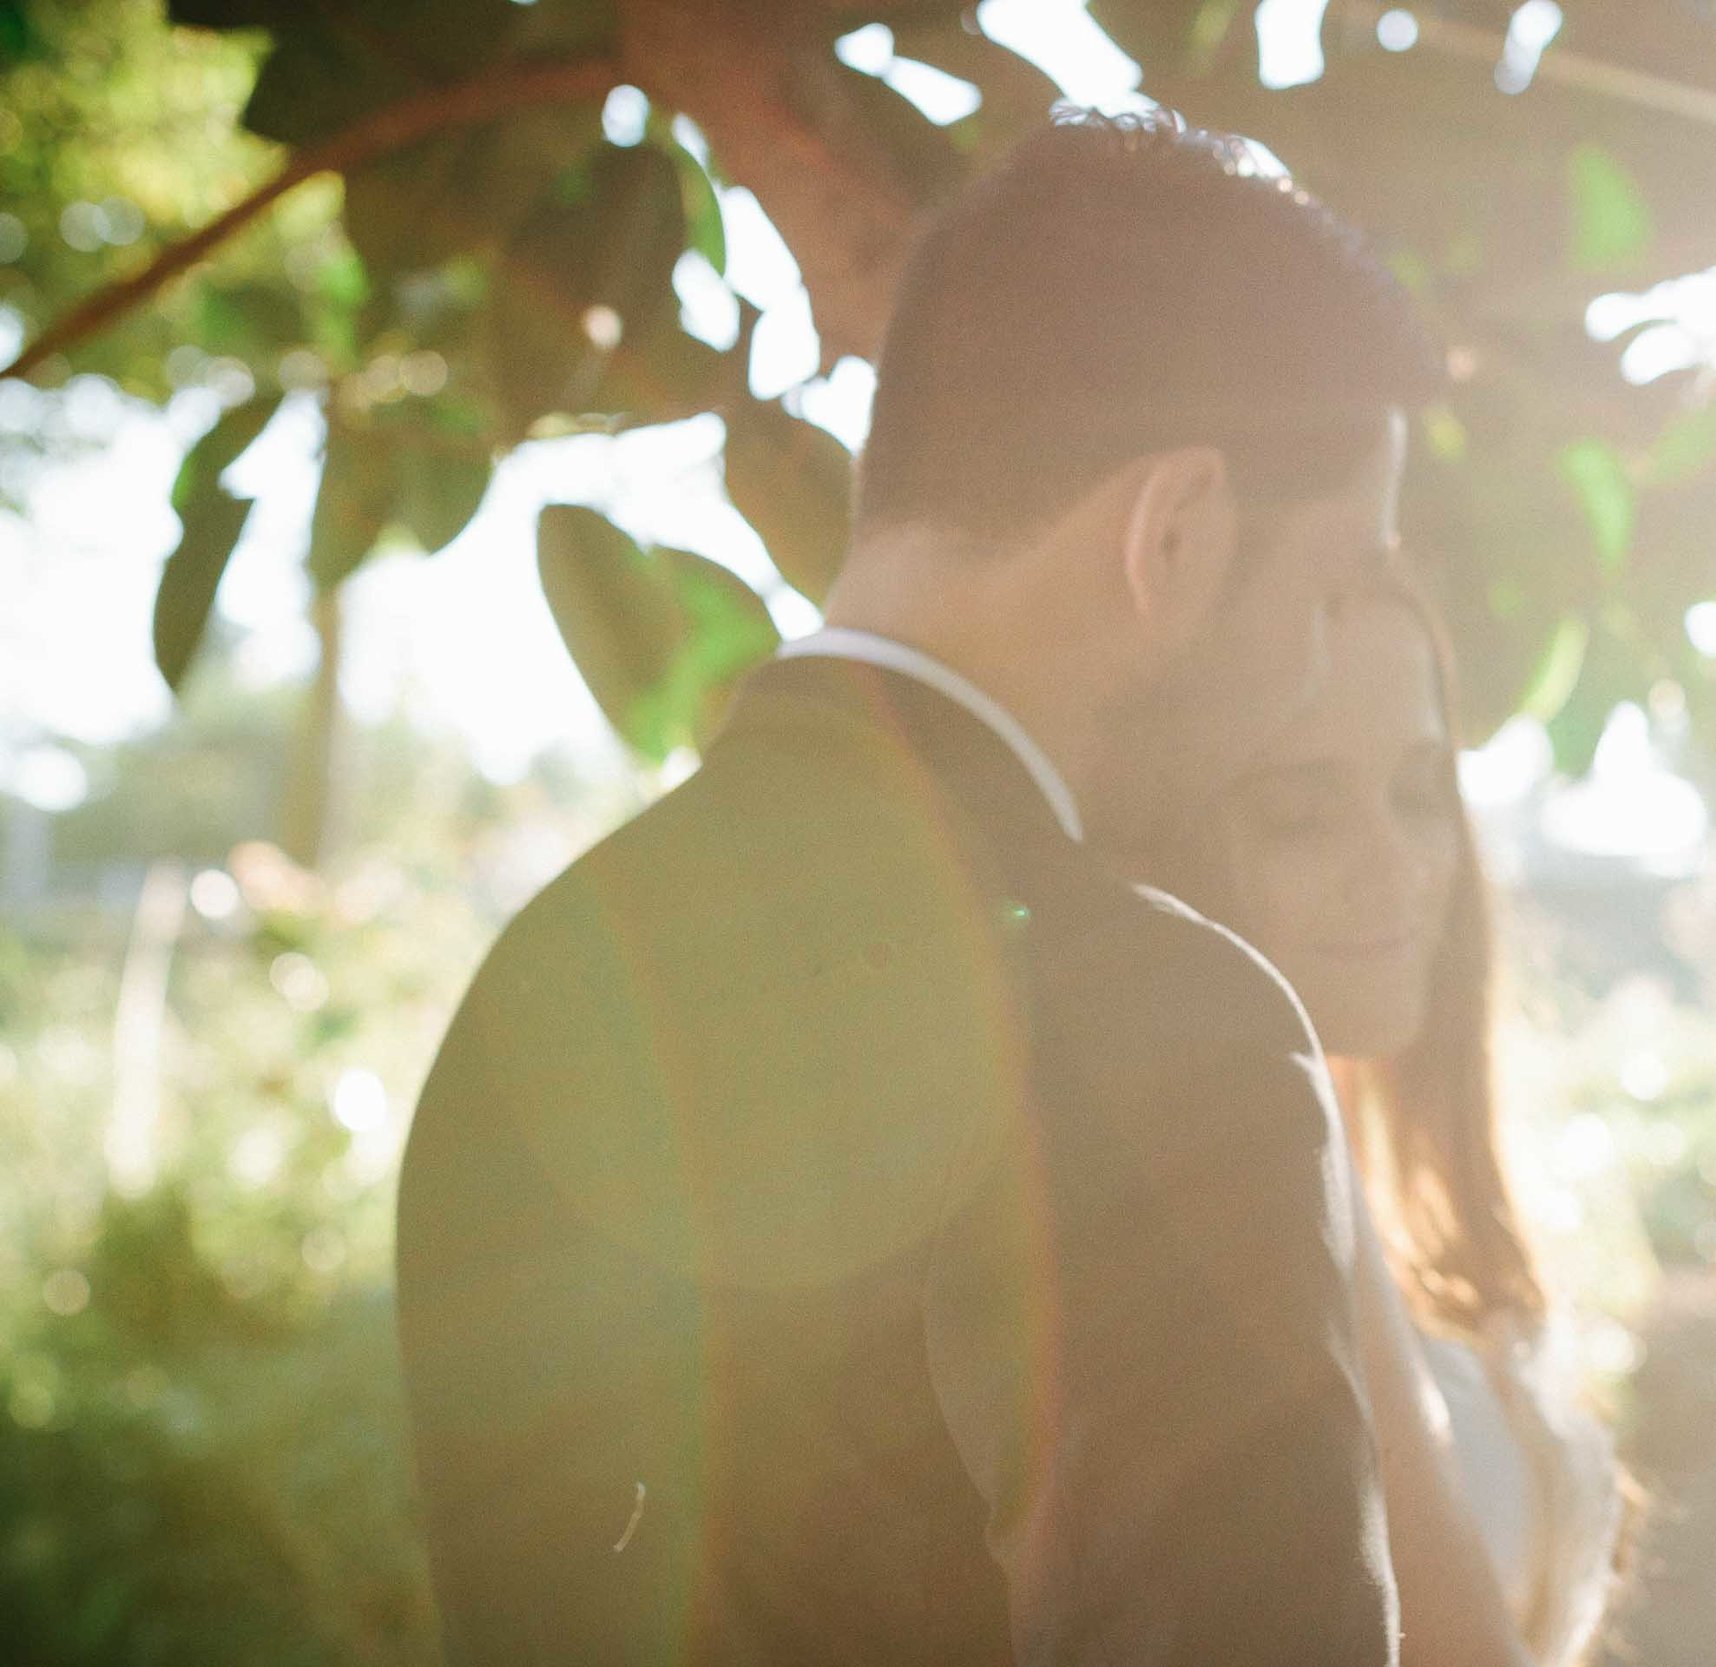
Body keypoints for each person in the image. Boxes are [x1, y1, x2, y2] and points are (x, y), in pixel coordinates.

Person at [394, 110, 1448, 1665]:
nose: (1308, 672)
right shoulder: (1170, 1021)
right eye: (1327, 584)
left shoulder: (547, 970)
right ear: (1176, 530)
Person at [1121, 581, 1624, 1667]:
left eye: (1418, 789)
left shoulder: (1406, 1186)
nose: (1392, 860)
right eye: (1299, 811)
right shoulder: (1205, 1227)